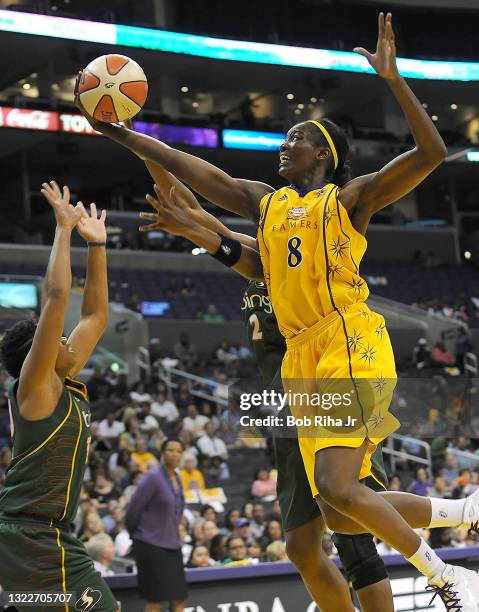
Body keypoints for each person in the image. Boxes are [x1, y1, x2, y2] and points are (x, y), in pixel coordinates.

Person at [78, 15, 479, 604]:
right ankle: (463, 510)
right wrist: (123, 136)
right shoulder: (267, 206)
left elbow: (433, 151)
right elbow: (201, 173)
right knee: (339, 512)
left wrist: (393, 80)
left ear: (324, 153)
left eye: (294, 139)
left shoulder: (349, 199)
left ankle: (448, 577)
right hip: (302, 360)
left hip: (348, 340)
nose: (282, 147)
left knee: (342, 487)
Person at [0, 181, 119, 611]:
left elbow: (96, 314)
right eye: (61, 338)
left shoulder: (62, 381)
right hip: (29, 535)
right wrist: (64, 229)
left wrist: (98, 246)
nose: (70, 339)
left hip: (45, 534)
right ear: (43, 352)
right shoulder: (36, 388)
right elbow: (56, 297)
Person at [125, 438, 187, 612]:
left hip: (172, 545)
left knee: (179, 599)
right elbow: (132, 511)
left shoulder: (178, 478)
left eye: (178, 451)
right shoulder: (152, 477)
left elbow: (178, 510)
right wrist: (138, 536)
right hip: (150, 544)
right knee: (155, 601)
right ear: (162, 453)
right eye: (170, 450)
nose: (174, 454)